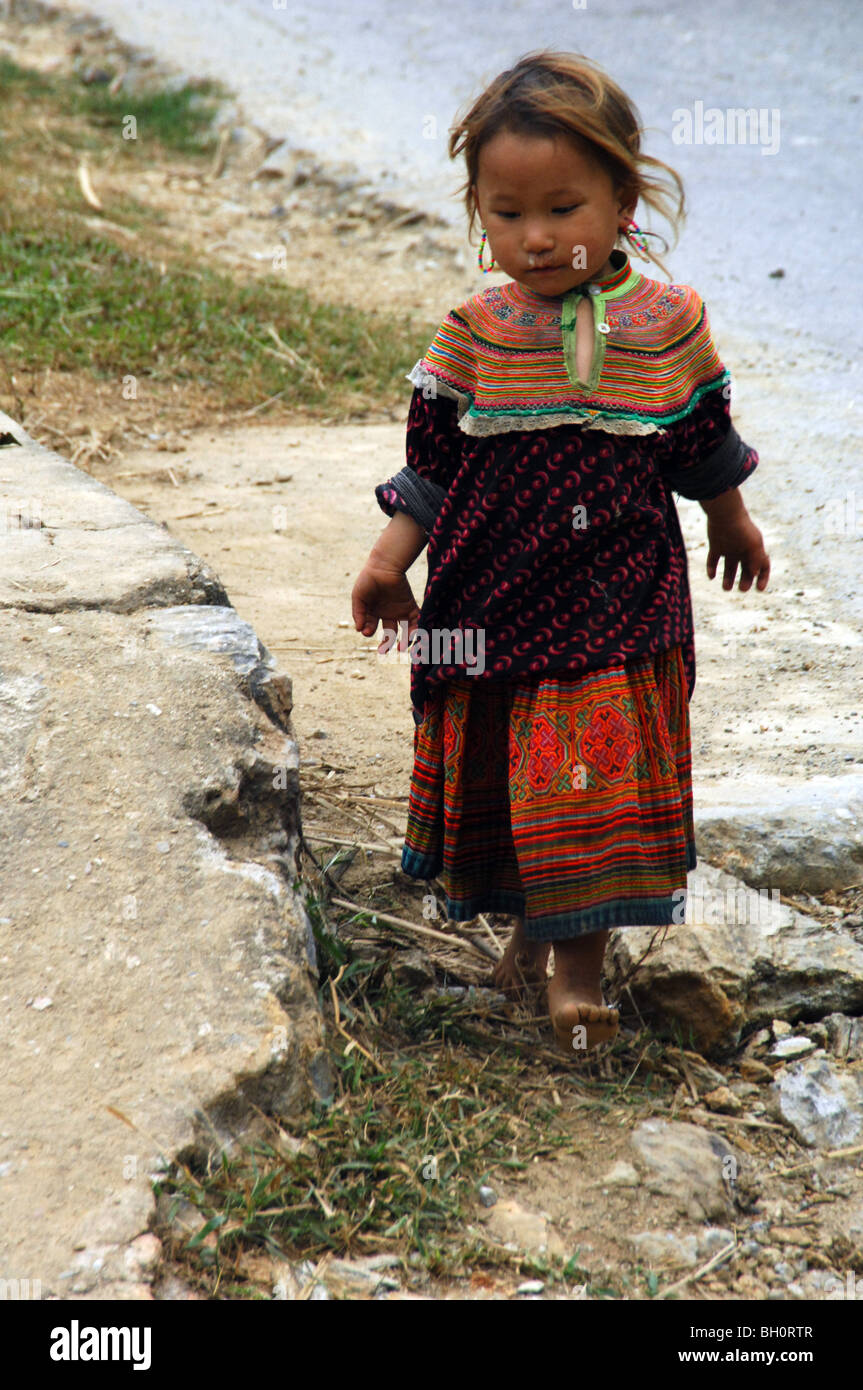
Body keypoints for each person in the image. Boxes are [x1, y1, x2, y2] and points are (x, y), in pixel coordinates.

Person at [350, 50, 770, 1054]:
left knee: (584, 770)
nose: (533, 239)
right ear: (476, 211)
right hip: (489, 595)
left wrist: (728, 518)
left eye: (561, 208)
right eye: (505, 214)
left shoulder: (666, 325)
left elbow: (698, 441)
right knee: (510, 770)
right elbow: (434, 467)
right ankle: (524, 942)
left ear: (624, 198)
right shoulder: (474, 332)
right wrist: (385, 558)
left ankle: (574, 974)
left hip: (619, 595)